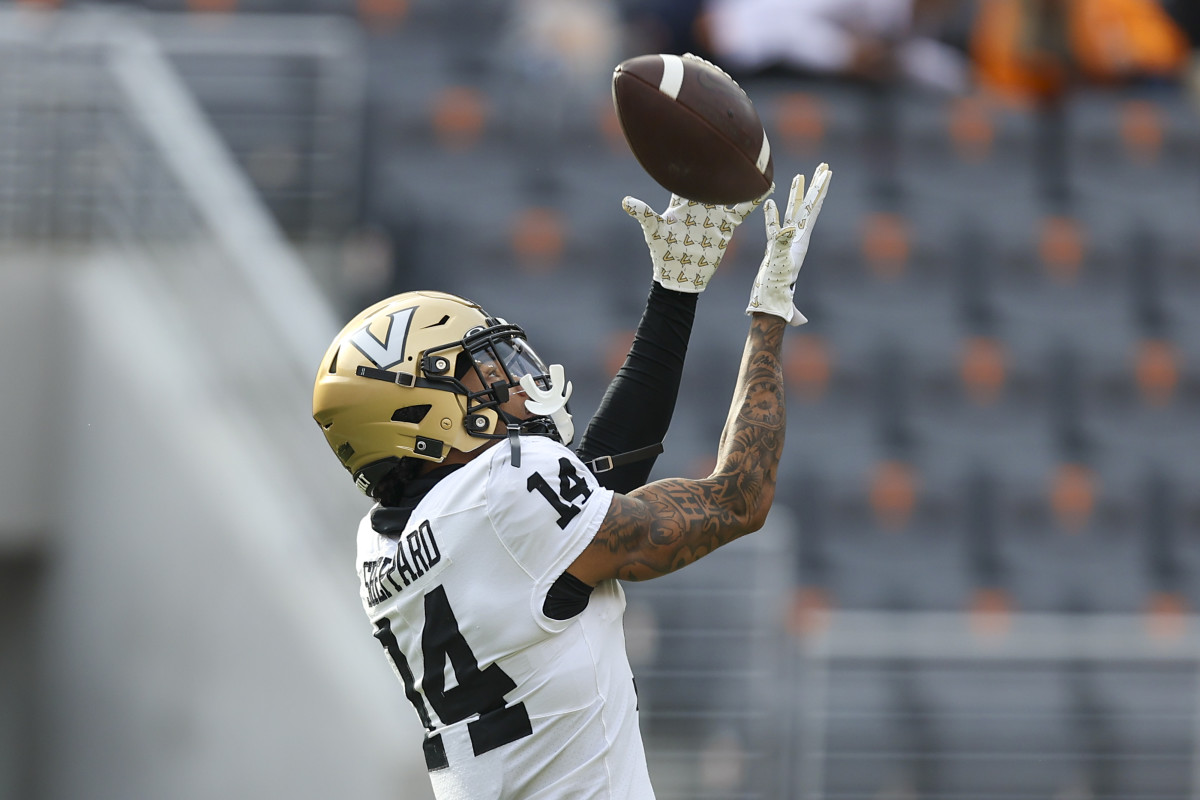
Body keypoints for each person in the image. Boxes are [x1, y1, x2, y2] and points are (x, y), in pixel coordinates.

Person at [311, 163, 832, 799]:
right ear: (419, 413)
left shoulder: (385, 543)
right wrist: (769, 314)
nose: (508, 380)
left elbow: (592, 477)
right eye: (479, 372)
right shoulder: (506, 495)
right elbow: (740, 499)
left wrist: (675, 290)